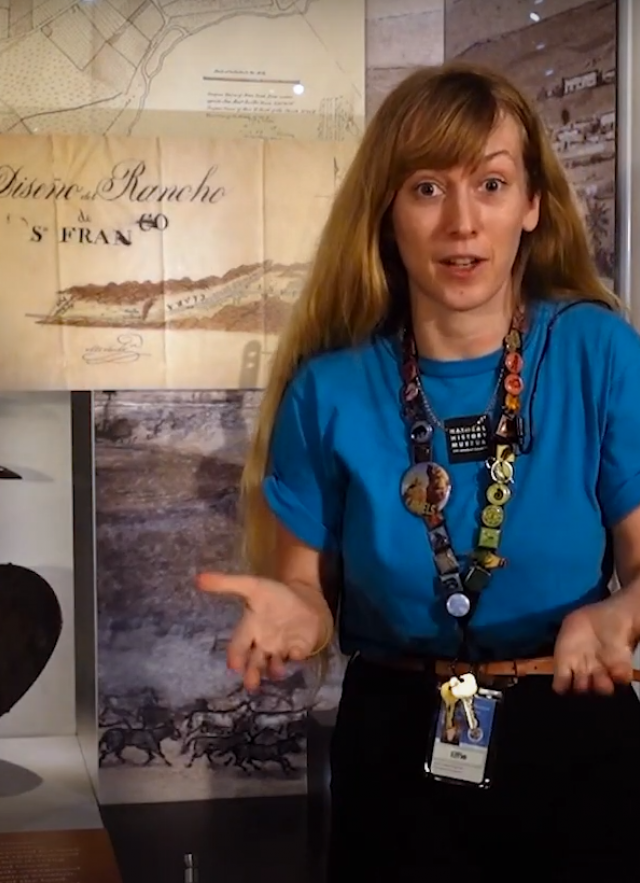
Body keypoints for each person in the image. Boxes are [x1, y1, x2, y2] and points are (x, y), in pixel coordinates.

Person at [197, 62, 640, 880]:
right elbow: (308, 592)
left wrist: (622, 613)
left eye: (493, 184)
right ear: (387, 215)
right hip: (393, 745)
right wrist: (296, 612)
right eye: (428, 188)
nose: (462, 223)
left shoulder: (599, 353)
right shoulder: (327, 389)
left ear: (532, 206)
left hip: (574, 735)